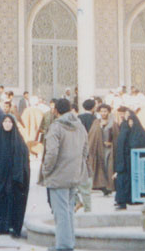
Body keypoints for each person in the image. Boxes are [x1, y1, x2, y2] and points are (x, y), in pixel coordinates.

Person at [39, 98, 88, 250]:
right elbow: (85, 151)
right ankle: (69, 242)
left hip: (58, 176)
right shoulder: (80, 126)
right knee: (69, 211)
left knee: (61, 213)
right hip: (74, 174)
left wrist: (46, 170)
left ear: (55, 110)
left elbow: (52, 153)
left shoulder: (56, 127)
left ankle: (63, 245)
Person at [0, 114, 30, 239]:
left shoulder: (18, 140)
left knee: (12, 200)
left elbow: (23, 160)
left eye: (10, 122)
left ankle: (9, 226)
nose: (7, 124)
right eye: (5, 121)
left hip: (12, 179)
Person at [113, 107, 145, 210]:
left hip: (137, 164)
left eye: (132, 121)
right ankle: (122, 201)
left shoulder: (141, 134)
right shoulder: (126, 132)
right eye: (128, 121)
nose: (130, 123)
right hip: (126, 163)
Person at [86, 103, 116, 196]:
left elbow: (116, 136)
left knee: (108, 167)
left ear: (109, 112)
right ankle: (102, 185)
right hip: (98, 148)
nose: (103, 113)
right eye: (102, 111)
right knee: (100, 167)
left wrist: (111, 143)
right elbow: (92, 135)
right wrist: (100, 127)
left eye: (105, 111)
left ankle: (109, 186)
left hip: (109, 149)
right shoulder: (96, 122)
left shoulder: (113, 123)